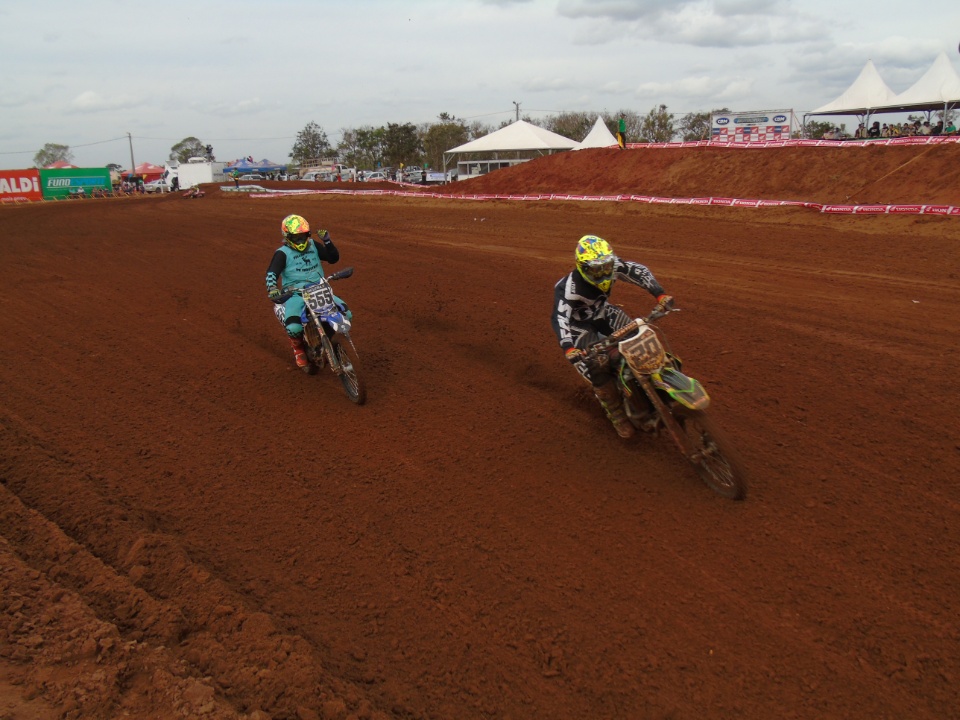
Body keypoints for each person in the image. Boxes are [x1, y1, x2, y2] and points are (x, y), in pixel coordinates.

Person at [551, 235, 673, 439]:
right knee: (598, 363)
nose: (603, 274)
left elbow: (638, 271)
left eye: (606, 267)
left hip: (602, 312)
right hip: (578, 326)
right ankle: (616, 414)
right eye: (597, 270)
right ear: (583, 268)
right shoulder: (568, 288)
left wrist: (660, 295)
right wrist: (569, 348)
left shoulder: (613, 265)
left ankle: (661, 385)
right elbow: (560, 317)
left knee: (638, 337)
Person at [265, 214, 342, 371]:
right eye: (296, 237)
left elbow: (333, 258)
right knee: (294, 327)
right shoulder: (282, 253)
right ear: (287, 236)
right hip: (296, 294)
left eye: (303, 236)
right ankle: (298, 349)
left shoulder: (313, 245)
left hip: (319, 289)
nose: (301, 241)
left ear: (308, 235)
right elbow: (272, 273)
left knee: (346, 314)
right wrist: (272, 288)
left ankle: (326, 343)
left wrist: (327, 241)